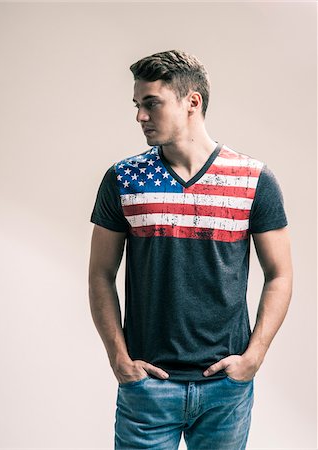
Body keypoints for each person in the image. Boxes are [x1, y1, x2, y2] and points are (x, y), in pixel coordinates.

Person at [88, 49, 293, 450]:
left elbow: (280, 274)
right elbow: (100, 273)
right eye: (137, 104)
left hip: (225, 388)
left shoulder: (253, 179)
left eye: (151, 103)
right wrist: (119, 358)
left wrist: (254, 357)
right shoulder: (123, 178)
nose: (140, 116)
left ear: (191, 102)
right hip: (147, 387)